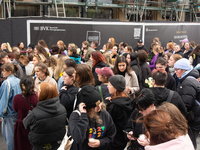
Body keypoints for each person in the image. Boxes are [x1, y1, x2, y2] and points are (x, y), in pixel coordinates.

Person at [68, 85, 116, 150]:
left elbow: (111, 135)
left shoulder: (104, 114)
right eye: (96, 106)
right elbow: (78, 139)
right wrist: (83, 117)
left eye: (100, 104)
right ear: (88, 108)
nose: (100, 108)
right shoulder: (76, 116)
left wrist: (101, 142)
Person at [23, 82, 67, 150]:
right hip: (57, 144)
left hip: (40, 145)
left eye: (39, 91)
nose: (37, 93)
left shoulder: (35, 113)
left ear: (43, 94)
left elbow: (26, 124)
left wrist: (30, 113)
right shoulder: (62, 108)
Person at [174, 58, 200, 149]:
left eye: (177, 70)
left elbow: (187, 104)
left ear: (183, 70)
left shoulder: (188, 82)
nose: (175, 72)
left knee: (190, 142)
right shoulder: (185, 79)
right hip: (193, 117)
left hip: (193, 119)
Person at [106, 75, 134, 150]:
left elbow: (107, 122)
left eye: (110, 84)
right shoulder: (128, 98)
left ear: (115, 88)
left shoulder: (114, 106)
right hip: (124, 137)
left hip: (115, 139)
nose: (107, 86)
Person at [0, 62, 22, 150]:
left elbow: (3, 101)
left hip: (9, 115)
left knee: (10, 140)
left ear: (9, 71)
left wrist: (1, 114)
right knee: (16, 138)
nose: (2, 73)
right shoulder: (18, 81)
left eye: (4, 71)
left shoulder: (6, 83)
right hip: (17, 113)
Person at [13, 76, 38, 150]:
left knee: (21, 146)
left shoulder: (17, 98)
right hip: (34, 126)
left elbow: (15, 109)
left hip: (21, 126)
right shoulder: (37, 97)